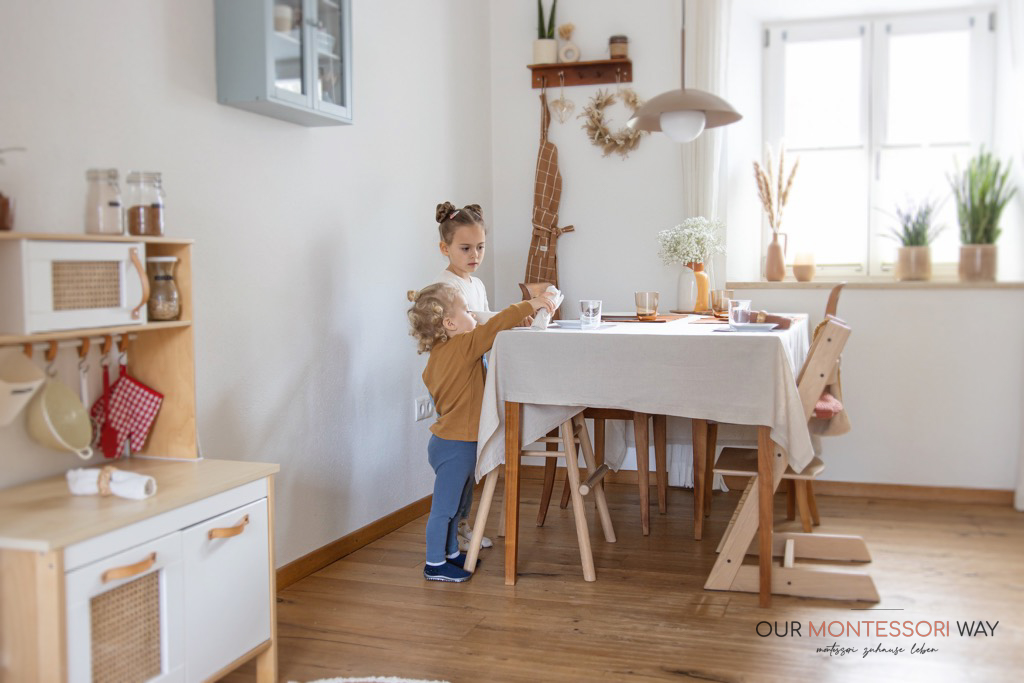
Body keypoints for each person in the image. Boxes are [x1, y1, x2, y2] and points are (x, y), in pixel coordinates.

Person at [407, 283, 554, 582]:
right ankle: (434, 563)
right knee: (445, 508)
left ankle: (450, 554)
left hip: (448, 441)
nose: (473, 313)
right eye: (466, 309)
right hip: (456, 444)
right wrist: (533, 303)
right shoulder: (464, 347)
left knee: (459, 506)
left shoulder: (439, 356)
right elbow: (497, 324)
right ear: (449, 323)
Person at [432, 201, 497, 551]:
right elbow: (463, 331)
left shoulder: (476, 284)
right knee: (460, 458)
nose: (475, 254)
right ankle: (452, 526)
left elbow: (483, 319)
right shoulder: (444, 288)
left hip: (477, 373)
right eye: (466, 248)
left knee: (472, 457)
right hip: (457, 380)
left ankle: (464, 522)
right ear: (445, 248)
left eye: (481, 247)